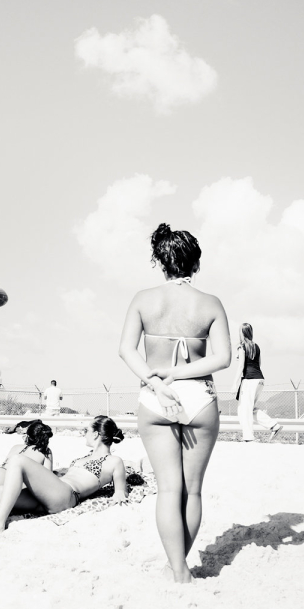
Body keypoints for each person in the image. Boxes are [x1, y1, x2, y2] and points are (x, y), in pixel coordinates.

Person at [119, 223, 231, 584]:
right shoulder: (210, 303)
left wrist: (157, 378)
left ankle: (178, 570)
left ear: (159, 260)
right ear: (195, 263)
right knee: (192, 490)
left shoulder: (143, 299)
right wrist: (179, 376)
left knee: (168, 489)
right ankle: (179, 566)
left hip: (155, 397)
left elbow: (125, 350)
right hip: (199, 395)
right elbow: (223, 358)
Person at [0, 416, 127, 533]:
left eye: (86, 430)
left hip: (67, 495)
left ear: (96, 434)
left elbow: (120, 490)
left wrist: (119, 494)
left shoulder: (114, 460)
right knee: (0, 491)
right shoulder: (84, 457)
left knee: (18, 460)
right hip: (53, 493)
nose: (84, 433)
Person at [232, 323, 282, 442]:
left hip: (249, 380)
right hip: (259, 379)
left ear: (242, 333)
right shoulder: (256, 346)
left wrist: (235, 383)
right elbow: (258, 364)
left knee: (244, 410)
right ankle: (274, 426)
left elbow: (241, 366)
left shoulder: (242, 346)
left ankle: (248, 437)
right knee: (248, 409)